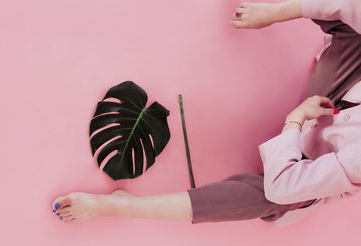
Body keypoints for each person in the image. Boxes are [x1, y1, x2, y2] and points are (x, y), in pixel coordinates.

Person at [51, 0, 361, 227]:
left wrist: (294, 120)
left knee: (271, 197)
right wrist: (275, 14)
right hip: (344, 84)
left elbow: (284, 186)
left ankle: (122, 207)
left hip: (314, 159)